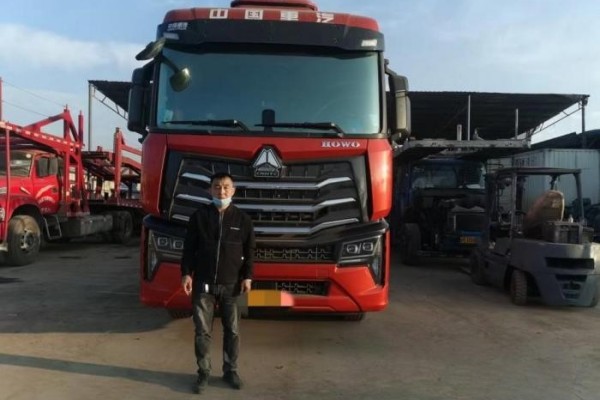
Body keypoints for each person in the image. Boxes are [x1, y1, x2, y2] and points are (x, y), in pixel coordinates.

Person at [181, 172, 255, 394]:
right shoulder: (199, 217)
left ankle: (230, 371)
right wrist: (186, 274)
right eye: (216, 187)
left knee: (232, 331)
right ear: (209, 190)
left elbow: (250, 251)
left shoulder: (243, 220)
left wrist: (248, 276)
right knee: (202, 332)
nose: (221, 191)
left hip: (233, 285)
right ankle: (203, 372)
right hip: (203, 284)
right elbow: (188, 249)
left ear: (233, 190)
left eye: (225, 187)